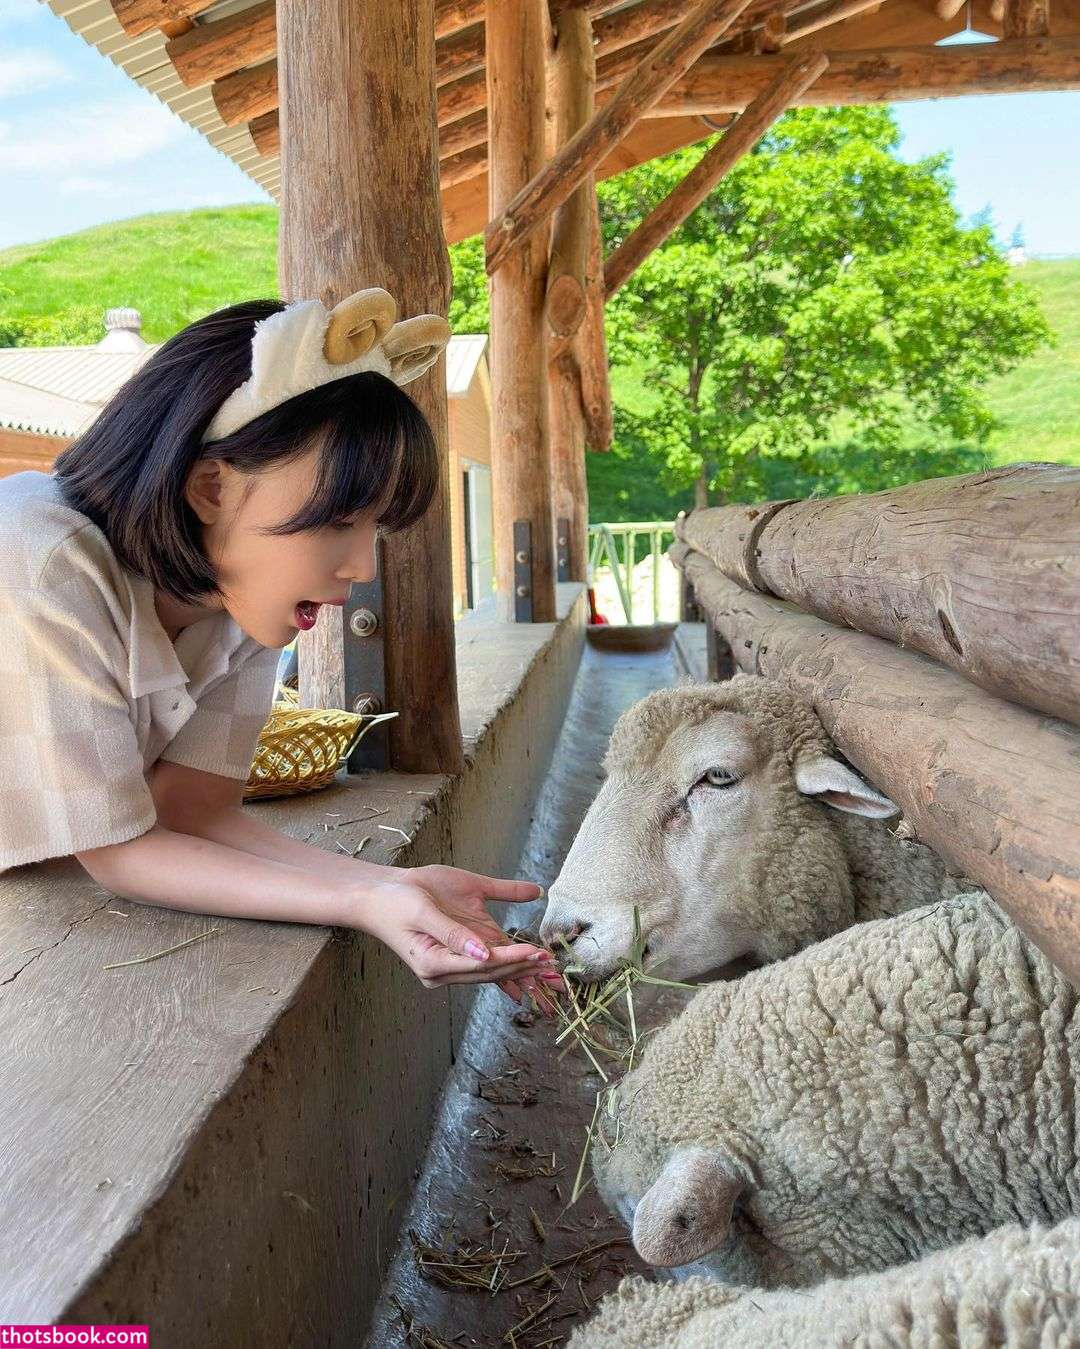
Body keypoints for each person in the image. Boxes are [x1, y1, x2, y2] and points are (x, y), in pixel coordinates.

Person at [0, 290, 563, 1009]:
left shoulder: (237, 595)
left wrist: (395, 886)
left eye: (375, 527)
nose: (361, 566)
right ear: (211, 486)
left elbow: (194, 812)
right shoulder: (41, 559)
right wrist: (363, 902)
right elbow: (118, 849)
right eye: (337, 521)